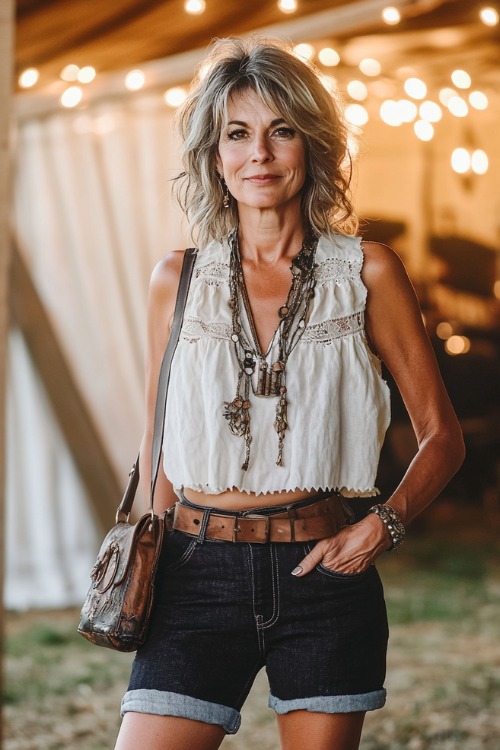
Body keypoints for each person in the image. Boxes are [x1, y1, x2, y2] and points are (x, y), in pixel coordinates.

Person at [115, 37, 464, 750]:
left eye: (282, 132)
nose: (260, 155)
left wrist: (383, 525)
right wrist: (151, 564)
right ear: (214, 155)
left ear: (312, 146)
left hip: (322, 576)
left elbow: (441, 437)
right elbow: (158, 441)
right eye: (237, 134)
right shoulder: (175, 281)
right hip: (194, 570)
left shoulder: (367, 271)